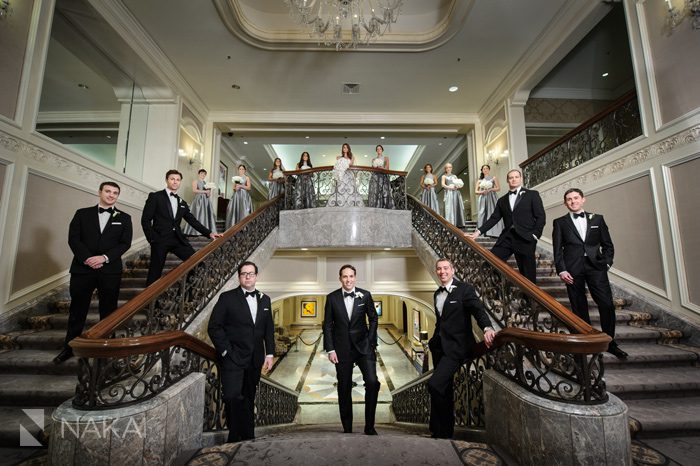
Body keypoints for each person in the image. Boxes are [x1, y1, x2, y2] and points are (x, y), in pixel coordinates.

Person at [54, 182, 133, 364]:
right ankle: (69, 348)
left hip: (110, 270)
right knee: (77, 311)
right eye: (108, 191)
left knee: (109, 312)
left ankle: (106, 349)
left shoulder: (125, 217)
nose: (111, 195)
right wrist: (88, 258)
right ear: (100, 192)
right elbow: (74, 239)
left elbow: (124, 243)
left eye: (115, 193)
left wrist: (104, 257)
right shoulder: (82, 214)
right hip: (83, 269)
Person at [552, 188, 627, 359]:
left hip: (596, 267)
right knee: (579, 307)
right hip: (572, 269)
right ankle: (585, 341)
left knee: (606, 304)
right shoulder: (560, 222)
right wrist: (561, 269)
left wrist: (606, 263)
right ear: (565, 203)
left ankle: (609, 342)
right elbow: (557, 250)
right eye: (569, 199)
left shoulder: (598, 219)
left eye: (576, 198)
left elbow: (608, 244)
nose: (573, 201)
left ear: (583, 199)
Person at [427, 258, 496, 439]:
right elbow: (441, 322)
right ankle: (442, 431)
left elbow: (478, 310)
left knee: (434, 384)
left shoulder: (465, 289)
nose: (442, 272)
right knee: (444, 389)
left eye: (446, 268)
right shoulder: (437, 294)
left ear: (453, 269)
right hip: (439, 348)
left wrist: (487, 328)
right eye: (439, 269)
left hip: (456, 349)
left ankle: (442, 428)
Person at [207, 261, 275, 443]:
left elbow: (269, 329)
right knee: (231, 397)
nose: (247, 276)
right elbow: (214, 327)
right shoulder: (227, 298)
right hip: (233, 358)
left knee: (248, 398)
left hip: (255, 359)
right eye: (244, 273)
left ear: (256, 276)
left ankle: (248, 436)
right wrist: (226, 352)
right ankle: (234, 436)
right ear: (239, 277)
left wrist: (270, 354)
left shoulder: (265, 299)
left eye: (251, 273)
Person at [322, 264, 380, 435]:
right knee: (344, 386)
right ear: (340, 278)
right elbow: (327, 325)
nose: (348, 279)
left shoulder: (365, 295)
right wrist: (330, 349)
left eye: (351, 276)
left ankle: (369, 426)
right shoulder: (332, 298)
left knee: (372, 382)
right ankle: (347, 427)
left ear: (355, 277)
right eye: (345, 276)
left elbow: (374, 318)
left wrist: (370, 341)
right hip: (341, 349)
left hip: (363, 347)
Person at [141, 169, 221, 286]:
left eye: (178, 180)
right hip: (160, 240)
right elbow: (145, 220)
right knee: (154, 273)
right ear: (167, 180)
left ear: (180, 182)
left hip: (178, 239)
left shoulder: (181, 202)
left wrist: (209, 233)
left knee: (197, 264)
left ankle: (181, 293)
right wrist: (152, 238)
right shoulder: (156, 197)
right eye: (172, 179)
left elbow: (193, 221)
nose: (175, 182)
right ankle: (149, 303)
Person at [469, 169, 545, 284]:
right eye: (511, 177)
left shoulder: (532, 195)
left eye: (516, 177)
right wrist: (478, 232)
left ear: (520, 179)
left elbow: (540, 217)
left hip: (526, 238)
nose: (513, 179)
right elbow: (494, 218)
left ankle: (529, 301)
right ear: (507, 180)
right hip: (507, 237)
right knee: (490, 262)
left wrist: (535, 235)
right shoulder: (502, 200)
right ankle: (500, 289)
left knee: (528, 275)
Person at [328, 143, 364, 207]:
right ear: (342, 149)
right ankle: (340, 203)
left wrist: (345, 163)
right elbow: (337, 166)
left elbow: (351, 165)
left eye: (346, 147)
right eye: (344, 147)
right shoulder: (339, 157)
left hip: (349, 175)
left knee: (350, 189)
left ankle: (350, 204)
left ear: (348, 149)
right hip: (341, 175)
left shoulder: (352, 157)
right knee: (340, 188)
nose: (345, 148)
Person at [183, 169, 217, 236]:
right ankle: (194, 231)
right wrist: (205, 191)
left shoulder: (206, 183)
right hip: (198, 200)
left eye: (204, 174)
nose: (203, 175)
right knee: (197, 214)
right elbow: (194, 190)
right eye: (202, 173)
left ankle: (205, 230)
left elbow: (208, 194)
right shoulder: (195, 181)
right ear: (199, 174)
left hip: (206, 200)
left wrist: (209, 192)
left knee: (205, 215)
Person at [475, 164, 503, 238]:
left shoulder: (493, 178)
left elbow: (498, 188)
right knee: (482, 213)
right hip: (483, 198)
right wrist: (482, 192)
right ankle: (481, 231)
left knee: (492, 212)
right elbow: (476, 191)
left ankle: (494, 232)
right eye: (484, 169)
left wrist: (490, 189)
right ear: (482, 170)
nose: (485, 170)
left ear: (489, 169)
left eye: (487, 168)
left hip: (492, 197)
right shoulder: (479, 181)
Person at [225, 164, 253, 229]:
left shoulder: (247, 178)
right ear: (238, 170)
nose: (241, 170)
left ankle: (244, 227)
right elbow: (233, 188)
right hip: (237, 195)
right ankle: (234, 226)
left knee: (244, 210)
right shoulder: (236, 178)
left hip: (244, 196)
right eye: (240, 169)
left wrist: (241, 186)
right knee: (234, 209)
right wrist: (235, 188)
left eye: (243, 169)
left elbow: (249, 188)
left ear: (245, 170)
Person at [367, 144, 395, 209]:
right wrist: (376, 168)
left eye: (380, 149)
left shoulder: (386, 158)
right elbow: (372, 170)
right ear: (376, 151)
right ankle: (376, 205)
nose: (379, 150)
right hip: (376, 177)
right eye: (377, 149)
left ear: (382, 150)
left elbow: (387, 168)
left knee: (384, 191)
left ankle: (385, 206)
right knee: (376, 191)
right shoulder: (373, 159)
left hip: (383, 176)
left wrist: (381, 168)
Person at [441, 163, 465, 227]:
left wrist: (457, 187)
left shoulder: (454, 176)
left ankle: (457, 222)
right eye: (447, 167)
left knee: (456, 205)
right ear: (445, 169)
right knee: (449, 207)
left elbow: (458, 184)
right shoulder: (444, 176)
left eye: (450, 167)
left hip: (455, 192)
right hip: (449, 193)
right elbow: (443, 185)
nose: (449, 169)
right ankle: (450, 222)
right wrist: (450, 187)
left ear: (452, 168)